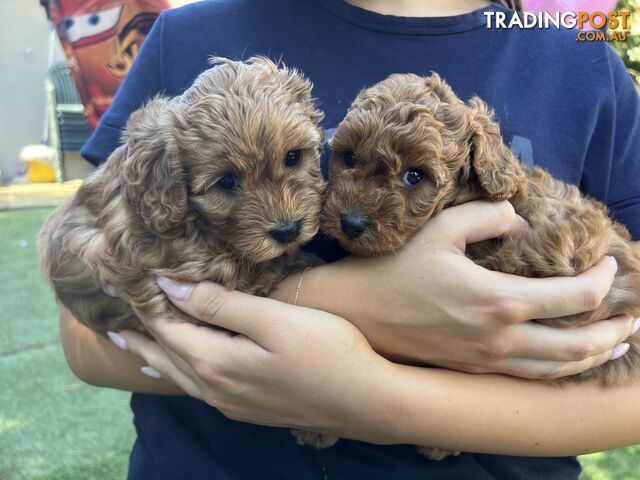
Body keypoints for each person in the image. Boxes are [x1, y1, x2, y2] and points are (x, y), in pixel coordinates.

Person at [61, 0, 640, 478]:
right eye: (342, 160)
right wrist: (336, 306)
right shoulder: (184, 34)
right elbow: (85, 328)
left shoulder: (583, 59)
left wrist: (384, 401)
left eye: (296, 159)